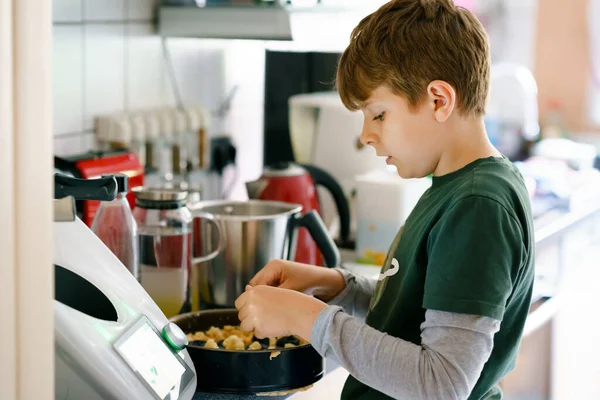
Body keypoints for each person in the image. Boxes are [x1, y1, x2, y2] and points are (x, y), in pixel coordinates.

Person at [235, 0, 535, 399]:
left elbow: (442, 384)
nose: (365, 136)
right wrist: (338, 286)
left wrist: (307, 318)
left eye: (378, 114)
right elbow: (418, 311)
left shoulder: (478, 205)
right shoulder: (458, 187)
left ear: (439, 101)